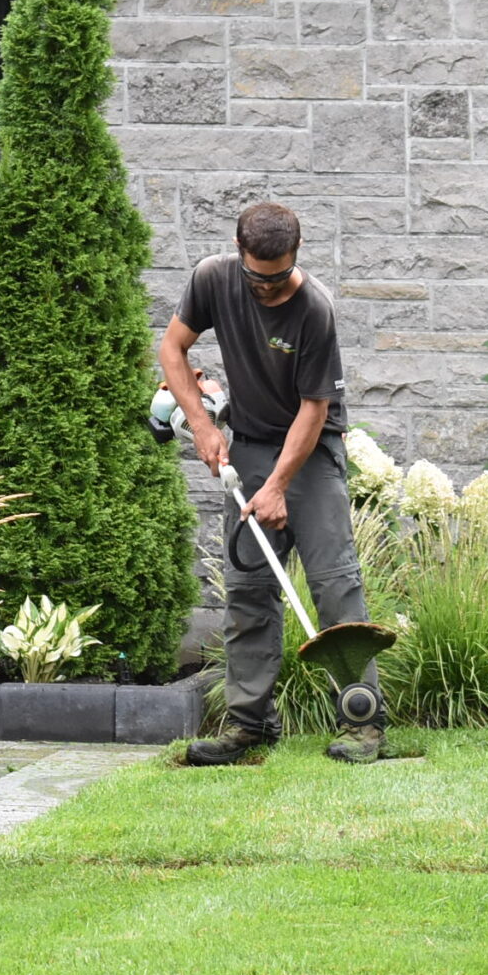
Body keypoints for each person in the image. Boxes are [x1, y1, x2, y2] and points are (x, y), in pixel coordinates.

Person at [158, 201, 382, 766]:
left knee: (335, 584)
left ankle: (363, 722)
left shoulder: (313, 309)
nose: (269, 288)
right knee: (249, 588)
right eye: (259, 277)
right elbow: (172, 348)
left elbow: (314, 408)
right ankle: (249, 724)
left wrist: (279, 485)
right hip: (251, 445)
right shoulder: (213, 278)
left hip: (310, 452)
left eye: (280, 275)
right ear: (240, 256)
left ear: (295, 258)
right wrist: (205, 426)